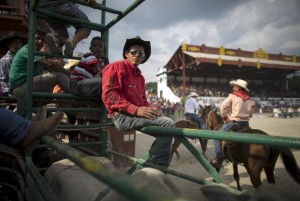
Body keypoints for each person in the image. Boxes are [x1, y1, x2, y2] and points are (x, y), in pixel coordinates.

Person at [102, 36, 174, 167]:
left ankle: (151, 163)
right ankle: (158, 166)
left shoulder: (140, 77)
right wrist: (136, 110)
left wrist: (150, 110)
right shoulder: (115, 67)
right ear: (126, 54)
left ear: (143, 57)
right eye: (134, 51)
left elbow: (143, 100)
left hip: (134, 115)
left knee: (166, 125)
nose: (137, 55)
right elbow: (109, 95)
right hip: (122, 117)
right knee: (168, 124)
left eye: (141, 53)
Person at [210, 79, 255, 171]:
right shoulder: (248, 99)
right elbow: (251, 114)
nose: (233, 88)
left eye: (234, 86)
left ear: (238, 88)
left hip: (234, 123)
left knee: (217, 137)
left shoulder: (233, 96)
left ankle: (219, 158)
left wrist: (225, 118)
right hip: (246, 124)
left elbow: (223, 107)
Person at [0, 31, 24, 96]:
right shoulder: (6, 60)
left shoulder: (21, 58)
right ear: (8, 45)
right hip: (11, 93)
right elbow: (4, 80)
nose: (17, 45)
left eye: (19, 43)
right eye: (14, 43)